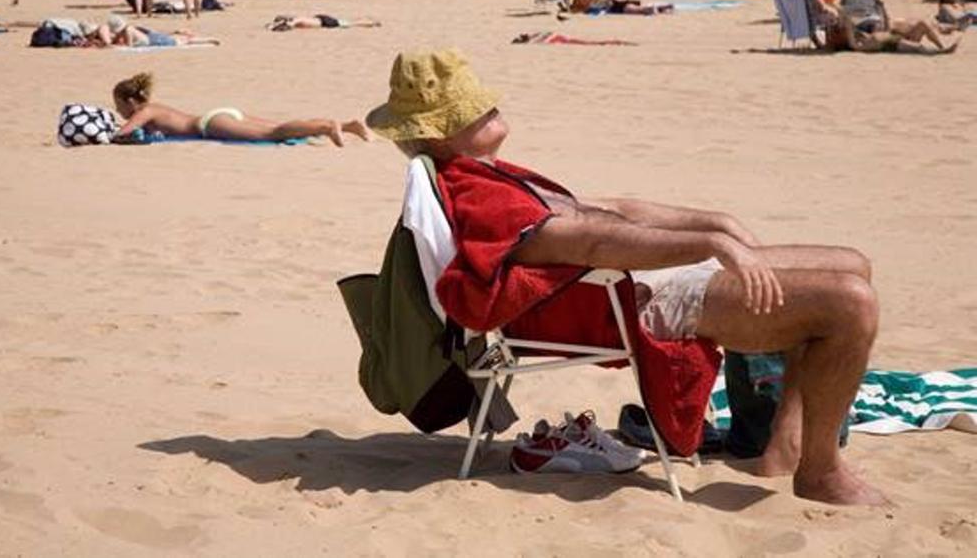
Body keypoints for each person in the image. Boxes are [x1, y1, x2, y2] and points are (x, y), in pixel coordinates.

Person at [365, 48, 889, 506]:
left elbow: (610, 208)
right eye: (472, 107)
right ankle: (821, 473)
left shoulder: (489, 172)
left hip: (637, 275)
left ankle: (787, 446)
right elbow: (590, 242)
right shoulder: (480, 196)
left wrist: (714, 223)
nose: (488, 106)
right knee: (849, 302)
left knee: (852, 263)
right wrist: (711, 245)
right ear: (440, 134)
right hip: (631, 299)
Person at [111, 72, 369, 146]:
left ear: (131, 102)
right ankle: (347, 125)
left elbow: (123, 132)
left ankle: (326, 127)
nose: (121, 111)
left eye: (119, 106)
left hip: (209, 125)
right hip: (220, 114)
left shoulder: (145, 111)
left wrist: (113, 131)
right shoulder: (155, 107)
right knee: (276, 127)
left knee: (273, 133)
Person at [817, 0, 964, 54]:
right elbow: (848, 24)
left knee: (923, 23)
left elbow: (848, 21)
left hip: (897, 35)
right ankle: (942, 51)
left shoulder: (863, 36)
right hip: (895, 44)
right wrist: (836, 8)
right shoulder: (860, 45)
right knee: (919, 48)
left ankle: (940, 45)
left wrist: (882, 8)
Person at [107, 15, 220, 48]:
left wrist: (114, 46)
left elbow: (129, 46)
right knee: (178, 39)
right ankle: (178, 32)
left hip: (153, 40)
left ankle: (209, 39)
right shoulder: (128, 29)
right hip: (152, 37)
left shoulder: (128, 30)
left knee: (184, 41)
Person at [265, 14, 381, 31]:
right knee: (349, 23)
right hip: (321, 19)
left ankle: (370, 23)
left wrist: (271, 27)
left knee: (350, 24)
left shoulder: (295, 20)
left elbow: (289, 24)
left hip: (325, 22)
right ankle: (370, 22)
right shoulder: (297, 19)